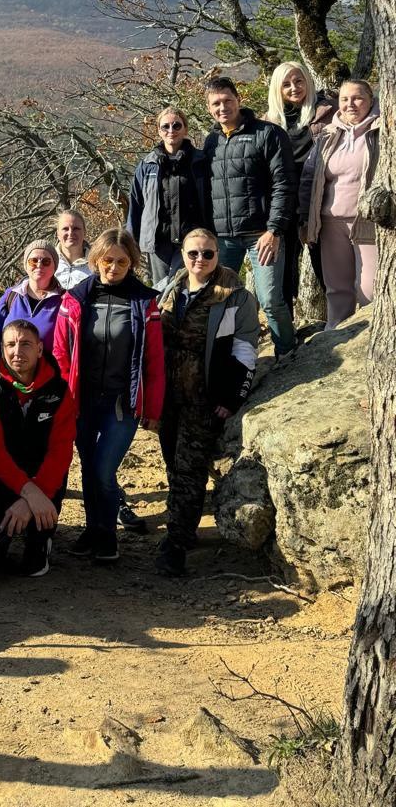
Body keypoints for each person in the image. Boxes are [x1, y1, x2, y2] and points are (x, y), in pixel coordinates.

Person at [53, 228, 165, 562]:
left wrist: (153, 409)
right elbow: (61, 353)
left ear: (131, 263)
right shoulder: (75, 299)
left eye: (121, 261)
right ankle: (93, 530)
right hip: (83, 401)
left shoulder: (144, 302)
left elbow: (154, 361)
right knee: (89, 466)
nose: (113, 268)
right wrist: (62, 400)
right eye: (107, 260)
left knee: (103, 469)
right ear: (95, 260)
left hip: (122, 402)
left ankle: (107, 537)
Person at [155, 230, 259, 577]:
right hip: (168, 396)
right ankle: (183, 526)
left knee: (189, 468)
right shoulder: (171, 289)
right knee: (173, 462)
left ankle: (176, 543)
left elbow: (244, 350)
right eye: (193, 253)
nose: (200, 260)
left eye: (208, 254)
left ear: (218, 255)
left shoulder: (234, 296)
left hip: (205, 398)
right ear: (183, 254)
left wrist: (232, 398)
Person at [0, 319, 76, 578]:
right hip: (1, 480)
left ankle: (41, 540)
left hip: (44, 481)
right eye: (11, 345)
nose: (18, 351)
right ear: (2, 350)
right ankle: (11, 528)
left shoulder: (60, 391)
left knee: (33, 568)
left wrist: (36, 496)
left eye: (25, 344)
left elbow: (60, 453)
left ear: (39, 349)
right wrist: (28, 494)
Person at [202, 77, 297, 361]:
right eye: (216, 103)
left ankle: (287, 354)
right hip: (223, 238)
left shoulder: (267, 133)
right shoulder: (211, 142)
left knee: (270, 300)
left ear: (238, 100)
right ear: (209, 109)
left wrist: (275, 230)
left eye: (227, 101)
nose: (223, 107)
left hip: (262, 235)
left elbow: (284, 184)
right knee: (219, 299)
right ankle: (227, 357)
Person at [299, 80, 380, 328]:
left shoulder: (382, 131)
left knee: (370, 289)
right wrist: (305, 219)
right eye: (344, 99)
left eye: (357, 98)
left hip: (368, 221)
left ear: (371, 100)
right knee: (337, 289)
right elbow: (309, 177)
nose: (350, 104)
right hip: (331, 222)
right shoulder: (328, 135)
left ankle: (372, 340)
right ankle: (334, 337)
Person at [263, 61, 336, 309]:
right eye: (286, 84)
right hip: (282, 204)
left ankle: (340, 323)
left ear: (308, 81)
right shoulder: (268, 124)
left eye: (298, 81)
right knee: (283, 273)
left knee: (326, 268)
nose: (294, 87)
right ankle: (287, 333)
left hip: (317, 201)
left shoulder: (326, 113)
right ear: (277, 88)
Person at [126, 107, 210, 284]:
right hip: (158, 242)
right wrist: (129, 242)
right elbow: (136, 204)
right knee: (161, 290)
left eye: (176, 126)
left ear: (185, 129)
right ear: (158, 131)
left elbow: (210, 199)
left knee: (183, 286)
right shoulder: (147, 165)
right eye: (165, 127)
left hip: (191, 239)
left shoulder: (200, 161)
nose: (171, 131)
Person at [0, 241, 65, 373]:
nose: (39, 265)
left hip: (48, 378)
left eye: (46, 262)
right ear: (26, 265)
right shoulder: (11, 296)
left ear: (55, 267)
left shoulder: (64, 300)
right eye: (33, 261)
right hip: (9, 376)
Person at [55, 210, 91, 291]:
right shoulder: (48, 262)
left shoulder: (96, 265)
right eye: (65, 229)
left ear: (85, 232)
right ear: (58, 234)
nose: (70, 233)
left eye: (76, 228)